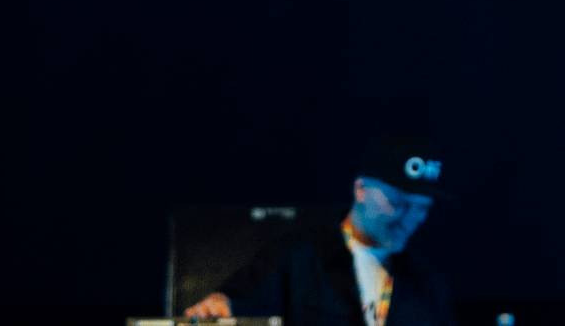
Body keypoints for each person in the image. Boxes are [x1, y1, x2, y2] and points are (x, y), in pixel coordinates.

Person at [181, 138, 457, 326]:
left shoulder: (427, 282)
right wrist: (217, 306)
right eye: (398, 203)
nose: (409, 218)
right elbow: (236, 301)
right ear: (361, 189)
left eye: (421, 208)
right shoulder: (298, 256)